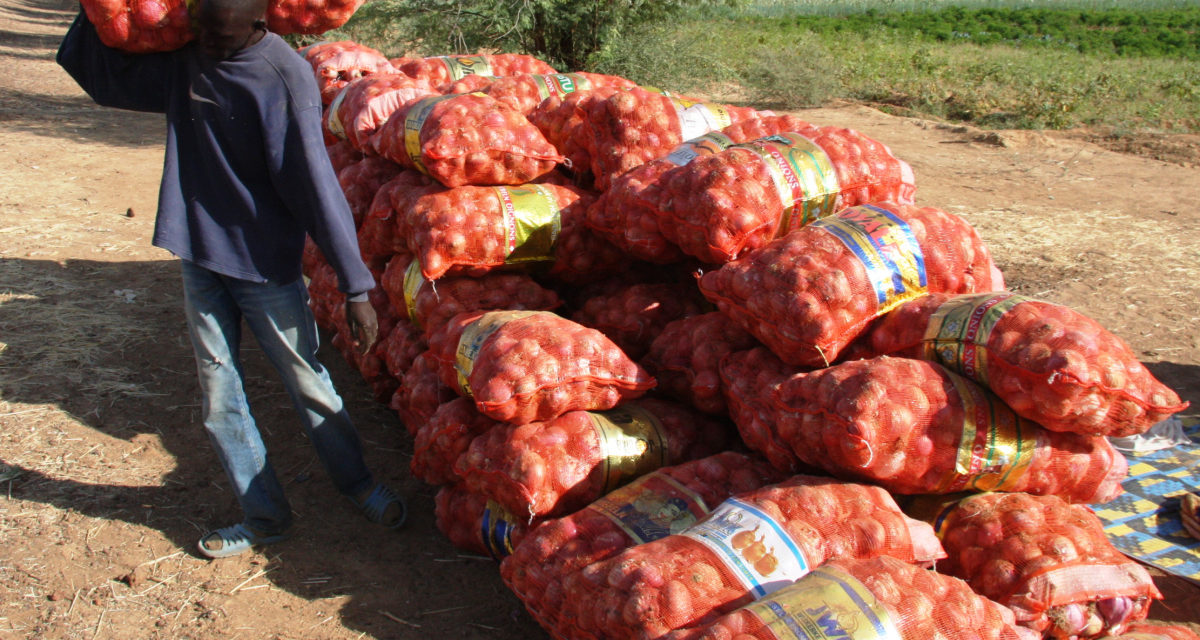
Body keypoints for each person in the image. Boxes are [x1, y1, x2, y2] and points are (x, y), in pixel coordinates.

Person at [57, 0, 406, 558]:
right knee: (219, 397)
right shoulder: (190, 58)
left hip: (265, 260)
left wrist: (356, 285)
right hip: (200, 251)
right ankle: (264, 514)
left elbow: (316, 186)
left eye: (222, 39)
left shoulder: (283, 77)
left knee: (306, 379)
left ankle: (357, 482)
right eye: (203, 34)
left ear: (260, 24)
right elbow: (105, 80)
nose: (211, 48)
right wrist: (95, 13)